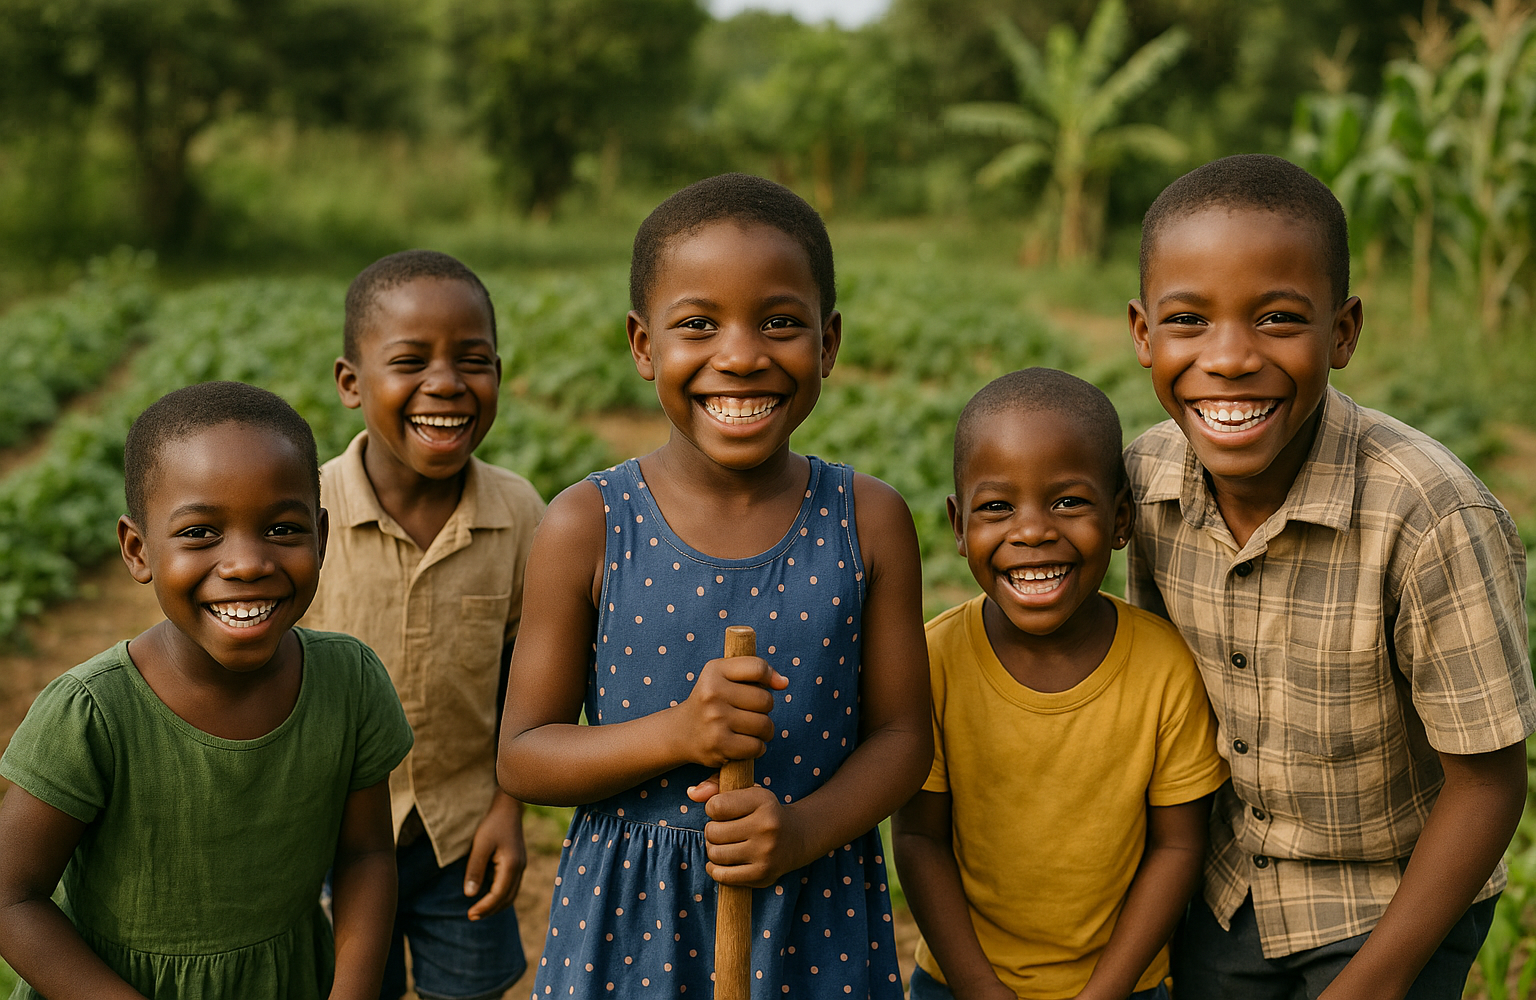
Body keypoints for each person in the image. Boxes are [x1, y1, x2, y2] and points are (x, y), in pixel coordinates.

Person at [498, 172, 932, 997]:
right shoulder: (587, 523)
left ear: (829, 342)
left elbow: (904, 741)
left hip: (814, 908)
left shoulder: (868, 520)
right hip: (630, 923)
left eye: (780, 322)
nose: (740, 354)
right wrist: (677, 732)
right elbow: (524, 756)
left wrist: (800, 833)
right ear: (642, 345)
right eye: (698, 324)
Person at [1125, 153, 1536, 999]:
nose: (1230, 357)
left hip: (1395, 902)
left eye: (1277, 318)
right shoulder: (1144, 484)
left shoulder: (1430, 514)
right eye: (1190, 320)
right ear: (1143, 335)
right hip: (1225, 889)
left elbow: (1489, 783)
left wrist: (1374, 984)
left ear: (1342, 331)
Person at [0, 381, 414, 1000]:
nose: (246, 563)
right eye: (199, 533)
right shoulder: (92, 714)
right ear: (137, 550)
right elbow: (12, 895)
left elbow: (365, 858)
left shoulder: (350, 683)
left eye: (281, 529)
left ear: (322, 538)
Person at [893, 368, 1229, 1000]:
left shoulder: (1164, 667)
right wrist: (978, 988)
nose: (1032, 531)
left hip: (1125, 987)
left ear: (1122, 519)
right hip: (959, 985)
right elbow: (918, 839)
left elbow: (1178, 848)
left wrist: (1105, 992)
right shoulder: (934, 659)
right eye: (996, 508)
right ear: (958, 527)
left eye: (1069, 502)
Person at [304, 249, 544, 1000]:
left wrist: (511, 808)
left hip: (462, 835)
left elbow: (526, 679)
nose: (445, 383)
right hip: (322, 842)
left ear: (498, 374)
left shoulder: (521, 515)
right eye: (410, 361)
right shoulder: (300, 519)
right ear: (351, 383)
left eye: (473, 360)